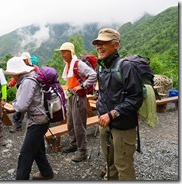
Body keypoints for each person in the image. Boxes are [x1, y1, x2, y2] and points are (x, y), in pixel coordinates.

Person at [92, 28, 143, 180]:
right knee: (110, 163)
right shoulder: (101, 67)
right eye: (98, 44)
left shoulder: (126, 67)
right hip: (104, 123)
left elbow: (136, 98)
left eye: (104, 43)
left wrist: (112, 114)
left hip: (122, 125)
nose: (99, 47)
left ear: (116, 45)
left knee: (123, 165)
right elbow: (103, 93)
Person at [5, 57, 54, 180]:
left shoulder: (28, 81)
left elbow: (21, 106)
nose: (11, 75)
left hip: (38, 121)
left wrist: (14, 103)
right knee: (37, 148)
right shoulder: (31, 76)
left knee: (25, 154)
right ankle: (46, 173)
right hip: (40, 118)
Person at [55, 42, 97, 162]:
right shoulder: (68, 65)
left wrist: (82, 86)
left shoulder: (78, 64)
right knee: (71, 123)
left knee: (79, 125)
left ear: (70, 52)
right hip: (71, 96)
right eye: (61, 52)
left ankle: (82, 151)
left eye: (64, 52)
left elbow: (93, 75)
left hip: (78, 97)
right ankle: (74, 144)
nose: (62, 54)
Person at [8, 52, 39, 133]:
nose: (23, 61)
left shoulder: (30, 73)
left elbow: (21, 106)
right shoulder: (28, 71)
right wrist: (10, 85)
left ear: (28, 60)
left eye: (25, 60)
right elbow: (15, 79)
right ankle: (18, 124)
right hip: (22, 88)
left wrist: (15, 103)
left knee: (21, 108)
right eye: (22, 60)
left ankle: (17, 124)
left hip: (37, 116)